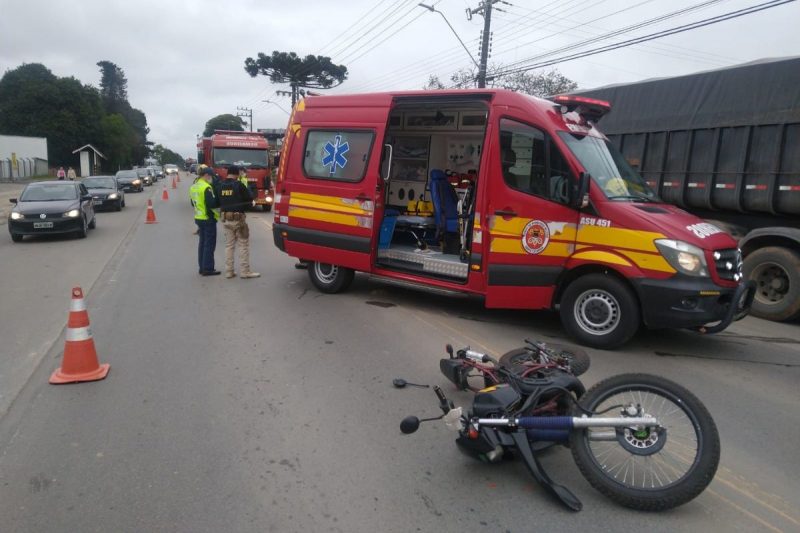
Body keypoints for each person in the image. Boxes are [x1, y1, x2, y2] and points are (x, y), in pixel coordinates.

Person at [218, 165, 260, 279]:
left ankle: (229, 271)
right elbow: (249, 198)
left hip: (226, 219)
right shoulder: (239, 185)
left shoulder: (220, 185)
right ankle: (245, 271)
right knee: (243, 245)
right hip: (238, 219)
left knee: (229, 246)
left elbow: (218, 202)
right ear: (237, 174)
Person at [189, 167, 220, 276]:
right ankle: (208, 268)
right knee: (209, 245)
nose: (211, 179)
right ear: (206, 175)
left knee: (202, 243)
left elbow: (193, 203)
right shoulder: (207, 187)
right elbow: (211, 204)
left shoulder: (194, 186)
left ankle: (202, 267)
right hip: (208, 219)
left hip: (199, 218)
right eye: (211, 176)